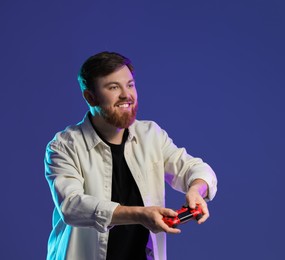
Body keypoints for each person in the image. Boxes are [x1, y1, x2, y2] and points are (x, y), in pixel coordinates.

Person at [44, 51, 218, 260]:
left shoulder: (151, 134)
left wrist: (197, 189)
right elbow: (72, 206)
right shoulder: (63, 146)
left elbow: (193, 168)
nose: (127, 95)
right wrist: (139, 214)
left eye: (130, 84)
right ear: (90, 97)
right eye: (113, 87)